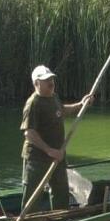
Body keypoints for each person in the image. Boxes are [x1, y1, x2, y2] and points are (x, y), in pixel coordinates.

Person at [20, 65, 93, 210]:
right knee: (33, 194)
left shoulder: (53, 96)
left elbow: (61, 110)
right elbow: (29, 133)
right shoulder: (33, 104)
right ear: (36, 84)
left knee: (61, 191)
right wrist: (49, 150)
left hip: (58, 156)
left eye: (51, 79)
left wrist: (80, 105)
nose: (51, 82)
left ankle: (60, 220)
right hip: (38, 159)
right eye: (46, 80)